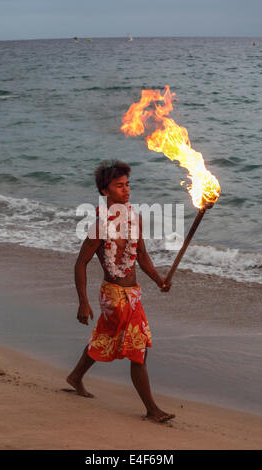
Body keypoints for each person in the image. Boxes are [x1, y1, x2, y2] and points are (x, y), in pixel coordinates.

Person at [66, 160, 175, 423]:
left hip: (133, 293)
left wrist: (159, 279)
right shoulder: (100, 226)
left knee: (105, 336)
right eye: (119, 186)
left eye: (127, 185)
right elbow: (81, 262)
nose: (126, 190)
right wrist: (83, 302)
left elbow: (142, 256)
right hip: (114, 295)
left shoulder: (134, 218)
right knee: (138, 349)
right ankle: (151, 409)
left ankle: (75, 377)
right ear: (105, 191)